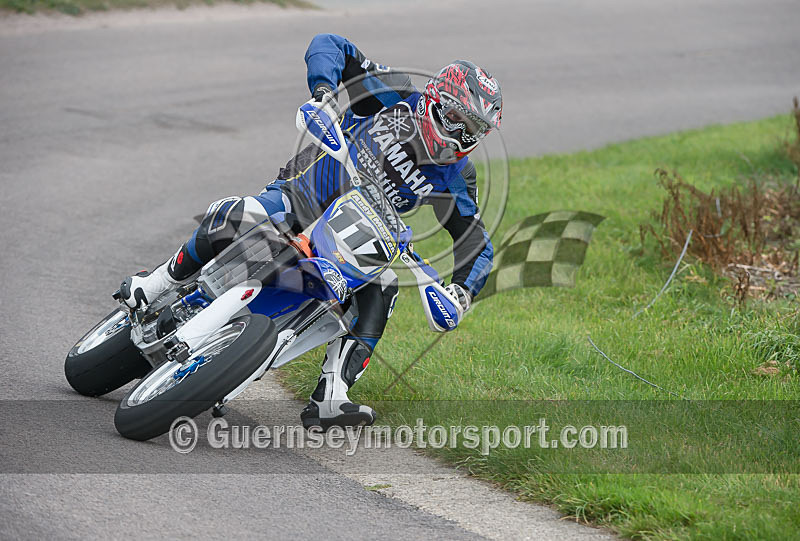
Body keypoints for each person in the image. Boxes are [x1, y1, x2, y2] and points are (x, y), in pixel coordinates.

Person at [119, 33, 502, 429]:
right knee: (242, 213)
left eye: (474, 129)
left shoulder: (458, 174)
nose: (462, 135)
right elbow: (331, 44)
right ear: (436, 100)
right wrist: (323, 93)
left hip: (362, 234)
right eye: (459, 119)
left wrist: (461, 292)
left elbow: (475, 241)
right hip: (306, 190)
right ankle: (160, 282)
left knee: (384, 290)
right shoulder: (396, 93)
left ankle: (332, 394)